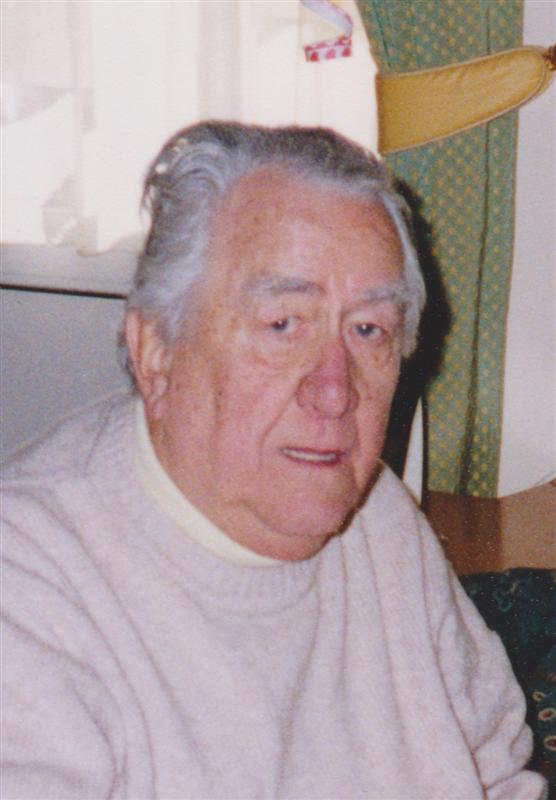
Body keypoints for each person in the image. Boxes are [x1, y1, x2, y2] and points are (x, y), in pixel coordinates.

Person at [0, 122, 546, 799]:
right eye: (283, 324)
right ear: (155, 354)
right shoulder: (28, 591)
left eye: (367, 330)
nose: (335, 391)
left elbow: (496, 771)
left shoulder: (377, 518)